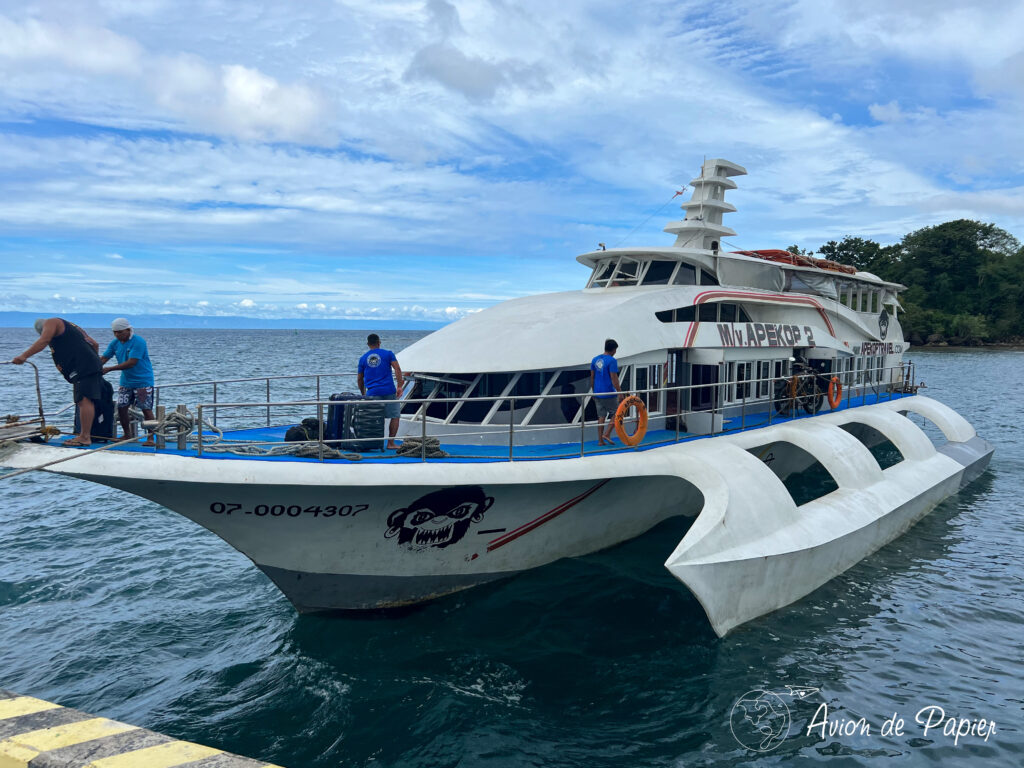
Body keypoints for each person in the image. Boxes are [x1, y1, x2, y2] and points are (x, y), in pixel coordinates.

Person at [12, 318, 102, 446]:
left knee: (84, 400)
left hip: (84, 367)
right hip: (89, 365)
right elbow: (94, 344)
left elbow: (44, 340)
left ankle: (85, 437)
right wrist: (94, 362)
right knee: (83, 400)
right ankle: (84, 435)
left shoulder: (52, 322)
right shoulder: (72, 328)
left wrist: (24, 356)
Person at [100, 318, 156, 443]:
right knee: (121, 407)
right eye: (115, 332)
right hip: (126, 382)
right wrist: (93, 367)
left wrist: (109, 369)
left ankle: (151, 437)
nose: (117, 335)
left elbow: (132, 363)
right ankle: (127, 434)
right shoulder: (115, 343)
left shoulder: (138, 342)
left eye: (120, 332)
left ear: (128, 330)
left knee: (146, 409)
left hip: (143, 381)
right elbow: (104, 358)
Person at [357, 333, 405, 449]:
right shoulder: (388, 354)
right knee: (395, 416)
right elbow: (397, 369)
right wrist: (399, 386)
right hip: (388, 390)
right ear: (379, 342)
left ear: (368, 344)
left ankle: (374, 443)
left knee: (373, 417)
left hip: (372, 392)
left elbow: (359, 379)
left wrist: (363, 393)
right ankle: (390, 443)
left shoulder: (363, 358)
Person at [590, 338, 622, 446]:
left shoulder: (594, 360)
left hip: (597, 393)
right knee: (617, 412)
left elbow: (592, 378)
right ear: (613, 350)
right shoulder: (612, 361)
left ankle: (600, 441)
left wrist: (594, 392)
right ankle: (607, 434)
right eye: (616, 350)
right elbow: (614, 378)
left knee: (601, 416)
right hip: (608, 393)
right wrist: (619, 392)